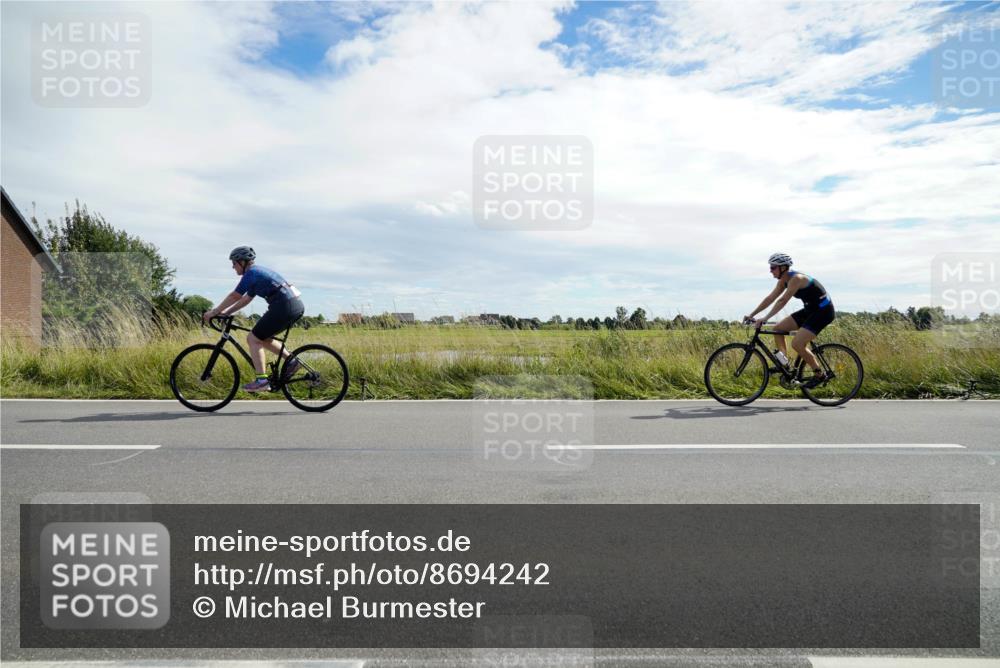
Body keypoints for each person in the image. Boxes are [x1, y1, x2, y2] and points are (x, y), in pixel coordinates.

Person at [203, 246, 304, 392]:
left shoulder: (251, 273)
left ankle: (262, 380)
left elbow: (235, 296)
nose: (233, 267)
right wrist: (226, 313)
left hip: (284, 306)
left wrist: (214, 312)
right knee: (262, 338)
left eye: (234, 263)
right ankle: (292, 361)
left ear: (242, 262)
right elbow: (246, 299)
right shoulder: (256, 273)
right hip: (292, 305)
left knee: (252, 338)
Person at [743, 253, 835, 388]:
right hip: (810, 310)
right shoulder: (783, 281)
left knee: (797, 344)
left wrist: (765, 318)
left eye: (773, 267)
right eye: (770, 267)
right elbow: (770, 298)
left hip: (823, 312)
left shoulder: (796, 279)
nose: (770, 270)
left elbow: (782, 300)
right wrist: (752, 315)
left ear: (783, 268)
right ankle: (784, 363)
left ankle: (819, 374)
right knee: (778, 329)